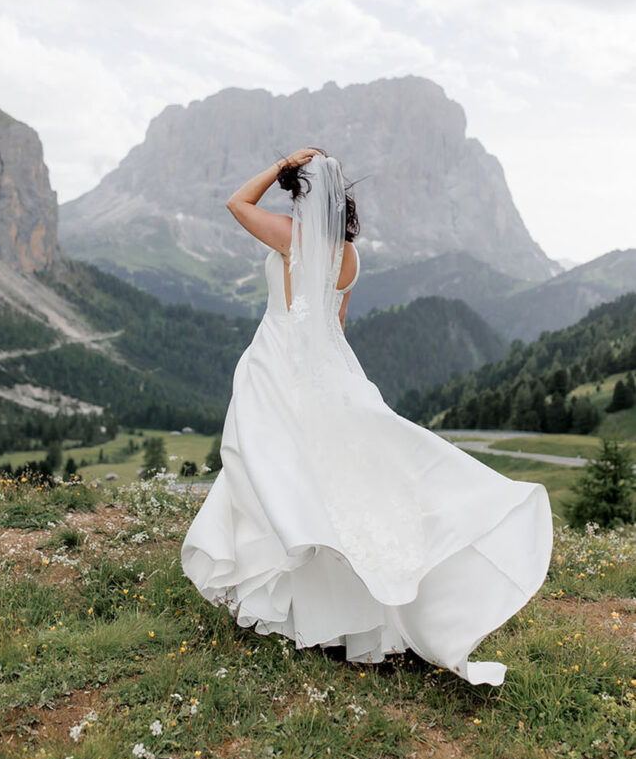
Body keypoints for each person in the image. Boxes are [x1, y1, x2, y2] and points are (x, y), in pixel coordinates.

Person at [180, 147, 553, 686]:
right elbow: (339, 324)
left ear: (302, 194)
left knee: (269, 473)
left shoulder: (292, 237)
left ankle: (281, 596)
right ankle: (344, 607)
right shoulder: (349, 255)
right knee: (331, 481)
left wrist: (280, 163)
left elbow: (236, 203)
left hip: (276, 364)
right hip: (329, 368)